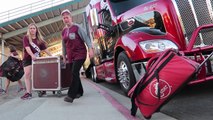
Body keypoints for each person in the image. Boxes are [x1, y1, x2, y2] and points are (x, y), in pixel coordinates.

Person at [61, 9, 94, 103]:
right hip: (70, 56)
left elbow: (86, 38)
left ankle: (71, 95)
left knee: (74, 72)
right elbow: (63, 45)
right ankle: (80, 91)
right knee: (74, 73)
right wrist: (64, 56)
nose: (65, 19)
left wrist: (90, 49)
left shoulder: (77, 28)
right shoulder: (63, 31)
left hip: (80, 53)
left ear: (71, 18)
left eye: (67, 17)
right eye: (64, 18)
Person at [21, 23, 52, 100]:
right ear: (29, 30)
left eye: (33, 28)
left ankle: (42, 90)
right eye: (30, 28)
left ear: (36, 29)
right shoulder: (26, 38)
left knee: (39, 75)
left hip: (37, 59)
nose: (32, 30)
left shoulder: (39, 40)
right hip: (28, 59)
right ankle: (28, 93)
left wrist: (52, 56)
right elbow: (27, 48)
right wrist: (32, 55)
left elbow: (45, 49)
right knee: (27, 75)